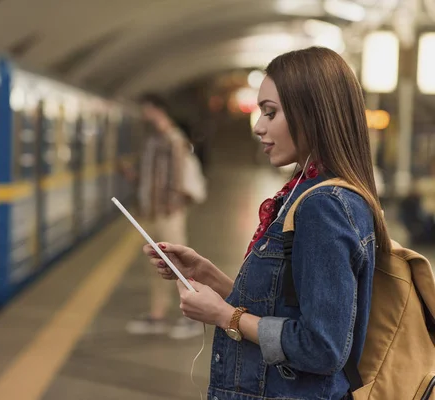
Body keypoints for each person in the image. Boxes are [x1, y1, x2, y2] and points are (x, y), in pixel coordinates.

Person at [143, 47, 388, 399]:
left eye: (270, 113)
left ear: (313, 114)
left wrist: (225, 316)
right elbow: (286, 310)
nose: (258, 127)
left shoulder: (324, 206)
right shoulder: (308, 193)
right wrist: (211, 277)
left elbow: (322, 346)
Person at [121, 93, 204, 339]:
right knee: (159, 266)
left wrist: (172, 204)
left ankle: (192, 317)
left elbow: (177, 177)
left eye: (146, 109)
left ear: (156, 110)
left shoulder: (173, 139)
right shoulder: (154, 140)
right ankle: (157, 315)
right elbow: (151, 177)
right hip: (154, 212)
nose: (143, 115)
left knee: (179, 264)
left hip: (168, 212)